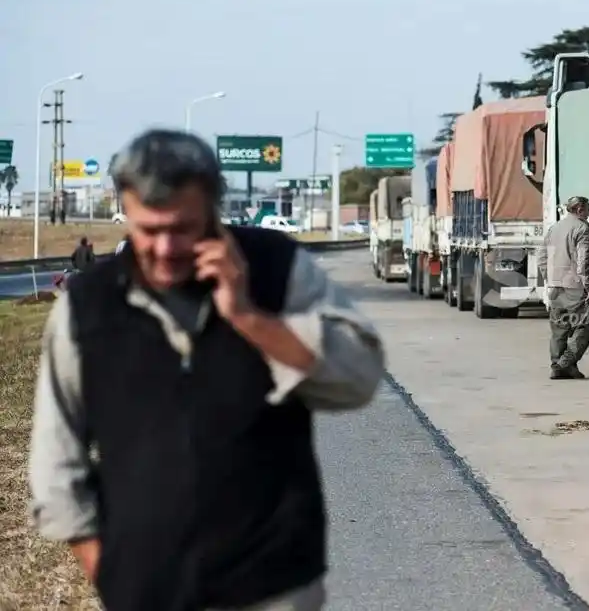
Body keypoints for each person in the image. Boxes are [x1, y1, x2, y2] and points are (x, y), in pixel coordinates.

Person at [28, 129, 387, 611]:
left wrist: (249, 317)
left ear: (212, 211)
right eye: (148, 230)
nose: (165, 248)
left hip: (274, 587)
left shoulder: (279, 270)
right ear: (126, 212)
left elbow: (358, 380)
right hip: (146, 590)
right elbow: (55, 460)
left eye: (183, 228)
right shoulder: (86, 308)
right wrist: (110, 572)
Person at [537, 195, 589, 379]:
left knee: (559, 329)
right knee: (587, 326)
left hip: (556, 285)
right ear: (579, 209)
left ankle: (559, 366)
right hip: (574, 286)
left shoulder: (554, 228)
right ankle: (565, 363)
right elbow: (583, 261)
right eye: (588, 209)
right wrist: (587, 286)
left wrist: (549, 278)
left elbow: (541, 256)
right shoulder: (582, 229)